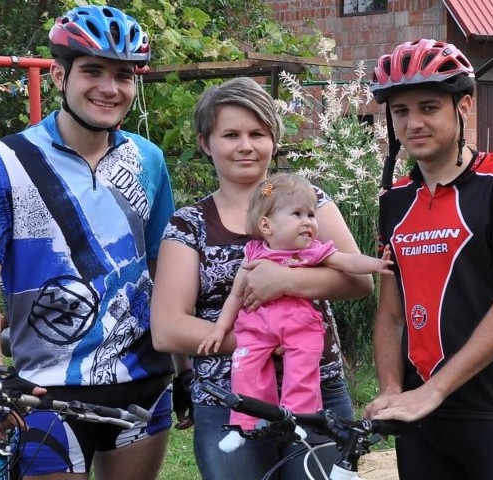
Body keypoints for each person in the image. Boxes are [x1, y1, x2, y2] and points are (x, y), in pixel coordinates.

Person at [0, 5, 175, 480]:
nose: (109, 88)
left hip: (145, 383)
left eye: (124, 75)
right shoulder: (4, 160)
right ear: (58, 74)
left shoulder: (149, 159)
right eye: (93, 71)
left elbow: (164, 268)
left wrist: (188, 361)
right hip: (44, 390)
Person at [150, 76, 376, 479]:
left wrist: (287, 282)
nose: (246, 146)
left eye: (258, 133)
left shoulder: (311, 202)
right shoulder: (190, 226)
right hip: (229, 400)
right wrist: (261, 343)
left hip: (316, 392)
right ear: (206, 143)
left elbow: (359, 281)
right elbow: (167, 328)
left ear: (274, 138)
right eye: (231, 134)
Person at [364, 38, 493, 480]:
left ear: (463, 106)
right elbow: (391, 313)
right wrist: (393, 388)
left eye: (428, 107)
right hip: (420, 413)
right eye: (401, 112)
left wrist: (434, 390)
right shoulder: (394, 201)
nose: (413, 123)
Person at [197, 173, 394, 452]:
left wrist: (375, 264)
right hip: (256, 327)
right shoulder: (253, 253)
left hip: (301, 326)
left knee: (302, 372)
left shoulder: (313, 252)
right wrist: (219, 329)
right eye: (297, 214)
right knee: (246, 369)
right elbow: (236, 295)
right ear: (266, 225)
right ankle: (245, 424)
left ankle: (297, 421)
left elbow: (347, 261)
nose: (309, 222)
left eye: (311, 214)